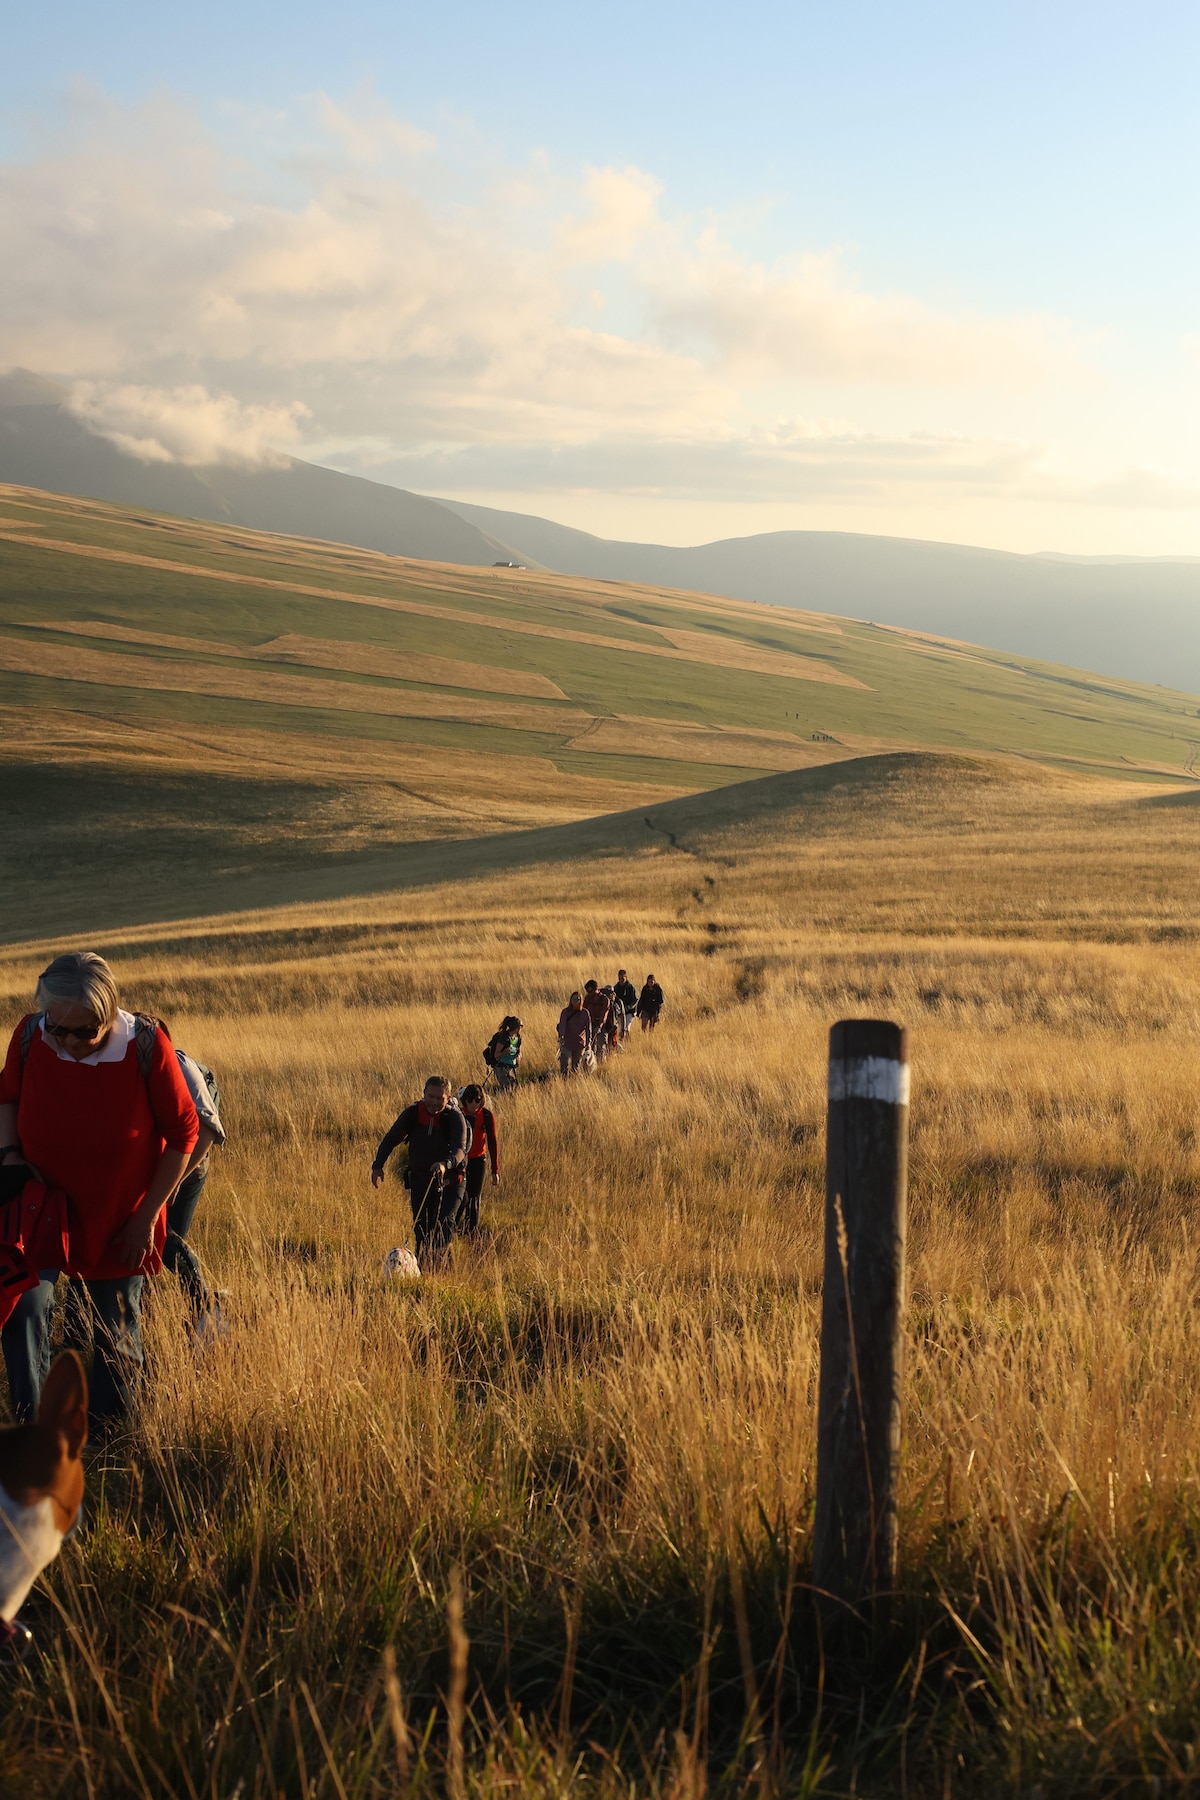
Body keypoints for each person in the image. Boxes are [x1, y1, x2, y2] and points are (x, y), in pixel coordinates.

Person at [0, 952, 199, 1423]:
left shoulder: (145, 1046)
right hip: (38, 1212)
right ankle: (35, 1429)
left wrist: (145, 1219)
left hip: (120, 1216)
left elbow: (185, 1133)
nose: (69, 1041)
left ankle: (111, 1437)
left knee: (117, 1331)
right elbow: (6, 1097)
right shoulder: (29, 1035)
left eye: (84, 1031)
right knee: (22, 1309)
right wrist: (9, 1155)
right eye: (57, 1028)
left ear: (108, 1013)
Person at [371, 1075, 468, 1265]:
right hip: (420, 1179)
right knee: (421, 1228)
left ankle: (439, 1268)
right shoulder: (413, 1114)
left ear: (448, 1098)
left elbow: (460, 1150)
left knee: (442, 1225)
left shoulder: (454, 1118)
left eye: (439, 1098)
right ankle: (422, 1269)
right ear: (423, 1094)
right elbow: (391, 1138)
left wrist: (445, 1164)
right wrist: (378, 1165)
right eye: (430, 1096)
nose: (434, 1102)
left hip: (451, 1182)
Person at [458, 1084, 499, 1234]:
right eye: (470, 1100)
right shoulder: (458, 1115)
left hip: (478, 1160)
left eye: (477, 1100)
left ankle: (471, 1231)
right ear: (464, 1101)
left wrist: (495, 1171)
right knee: (461, 1196)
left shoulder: (487, 1116)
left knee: (474, 1198)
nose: (474, 1104)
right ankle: (452, 1226)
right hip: (461, 1162)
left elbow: (492, 1142)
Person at [557, 992, 593, 1076]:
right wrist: (561, 1036)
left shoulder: (585, 1013)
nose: (575, 1001)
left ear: (581, 1000)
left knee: (576, 1065)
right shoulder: (565, 1012)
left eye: (577, 999)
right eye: (573, 999)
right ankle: (564, 1078)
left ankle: (573, 1079)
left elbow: (588, 1028)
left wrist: (588, 1042)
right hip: (567, 1042)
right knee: (564, 1061)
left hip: (579, 1043)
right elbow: (562, 1025)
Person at [484, 1016, 523, 1093]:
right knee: (506, 1090)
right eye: (521, 1026)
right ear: (516, 1027)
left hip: (512, 1067)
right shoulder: (503, 1038)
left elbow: (519, 1052)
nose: (521, 1028)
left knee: (515, 1089)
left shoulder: (518, 1038)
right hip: (501, 1068)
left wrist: (518, 1057)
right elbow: (496, 1055)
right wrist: (504, 1052)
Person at [581, 981, 611, 1063]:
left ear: (597, 989)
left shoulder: (604, 999)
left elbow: (604, 1014)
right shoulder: (588, 998)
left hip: (602, 1026)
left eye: (591, 991)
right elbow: (583, 1011)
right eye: (588, 991)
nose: (589, 993)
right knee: (589, 1046)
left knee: (601, 1046)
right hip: (590, 1025)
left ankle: (600, 1064)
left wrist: (599, 1026)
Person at [600, 985, 624, 1056]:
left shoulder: (618, 1002)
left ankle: (611, 1056)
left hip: (613, 1027)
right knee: (603, 1044)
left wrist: (623, 1029)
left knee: (612, 1044)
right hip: (603, 1026)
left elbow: (622, 1015)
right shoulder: (601, 1001)